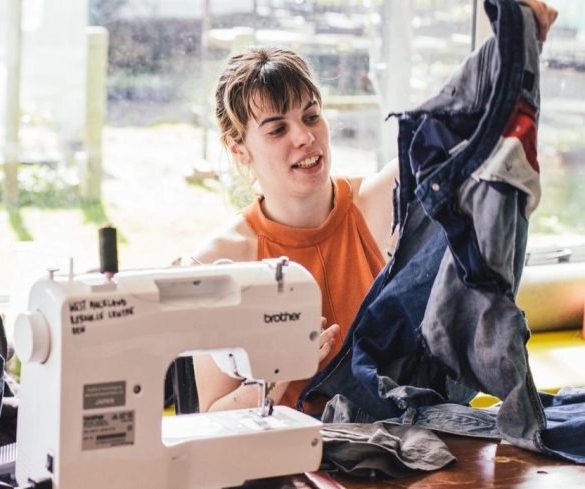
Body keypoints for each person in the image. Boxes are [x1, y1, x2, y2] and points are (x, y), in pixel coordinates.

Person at [190, 0, 558, 415]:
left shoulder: (379, 200)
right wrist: (282, 370)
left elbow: (457, 133)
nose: (304, 137)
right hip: (297, 469)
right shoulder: (221, 261)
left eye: (312, 117)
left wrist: (515, 44)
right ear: (239, 149)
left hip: (401, 449)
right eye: (277, 129)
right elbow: (211, 418)